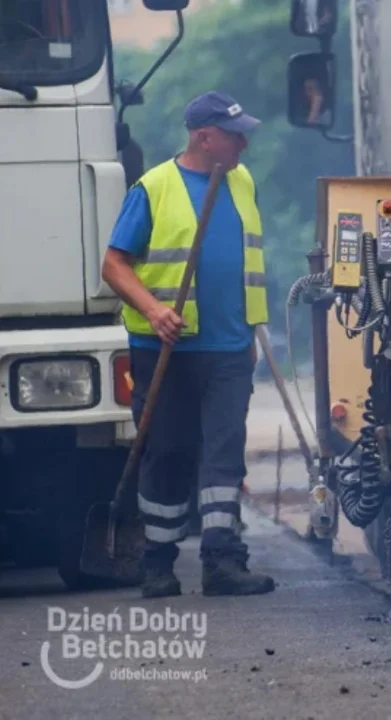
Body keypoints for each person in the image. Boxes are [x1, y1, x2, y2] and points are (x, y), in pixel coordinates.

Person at [101, 90, 275, 599]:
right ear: (205, 137)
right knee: (167, 452)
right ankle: (157, 563)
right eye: (233, 134)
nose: (244, 142)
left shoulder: (241, 181)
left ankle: (223, 561)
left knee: (224, 454)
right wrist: (154, 311)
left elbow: (244, 262)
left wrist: (249, 335)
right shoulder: (153, 187)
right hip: (167, 351)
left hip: (228, 349)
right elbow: (114, 264)